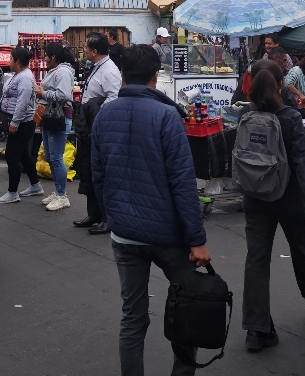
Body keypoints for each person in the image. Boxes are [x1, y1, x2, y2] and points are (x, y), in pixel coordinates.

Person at [92, 44, 211, 376]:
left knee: (133, 316)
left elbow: (97, 174)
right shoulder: (166, 115)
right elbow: (183, 182)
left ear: (123, 75)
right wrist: (197, 239)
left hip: (125, 236)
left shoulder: (106, 113)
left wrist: (113, 215)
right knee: (187, 307)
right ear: (155, 76)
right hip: (168, 236)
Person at [240, 59, 305, 351]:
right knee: (302, 252)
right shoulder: (290, 117)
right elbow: (304, 166)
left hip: (255, 196)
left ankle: (257, 329)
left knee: (256, 260)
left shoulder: (245, 113)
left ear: (252, 83)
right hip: (289, 197)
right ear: (280, 84)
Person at [74, 31, 121, 234]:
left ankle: (106, 218)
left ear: (94, 51)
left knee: (100, 174)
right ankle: (93, 214)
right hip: (88, 124)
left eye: (85, 47)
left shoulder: (109, 70)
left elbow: (115, 97)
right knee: (88, 170)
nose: (83, 50)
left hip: (98, 126)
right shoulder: (96, 67)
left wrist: (99, 116)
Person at [0, 47, 43, 204]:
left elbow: (23, 102)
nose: (9, 61)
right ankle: (36, 185)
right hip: (18, 121)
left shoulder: (24, 78)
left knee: (11, 155)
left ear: (17, 61)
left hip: (23, 123)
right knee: (23, 154)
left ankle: (12, 192)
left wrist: (15, 122)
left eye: (11, 59)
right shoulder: (19, 75)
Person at [36, 43, 76, 211]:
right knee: (50, 156)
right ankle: (58, 191)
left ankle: (62, 196)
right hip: (49, 117)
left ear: (53, 57)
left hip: (58, 118)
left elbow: (63, 95)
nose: (44, 59)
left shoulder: (63, 72)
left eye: (46, 55)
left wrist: (42, 93)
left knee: (57, 157)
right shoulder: (57, 71)